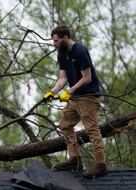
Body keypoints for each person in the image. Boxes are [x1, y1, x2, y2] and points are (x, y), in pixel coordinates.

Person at [44, 25, 107, 178]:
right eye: (54, 41)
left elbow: (87, 78)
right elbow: (63, 78)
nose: (55, 43)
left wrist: (69, 91)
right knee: (65, 125)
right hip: (75, 97)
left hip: (88, 96)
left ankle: (100, 164)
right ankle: (75, 160)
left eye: (57, 41)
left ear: (66, 38)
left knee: (91, 129)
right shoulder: (61, 53)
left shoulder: (79, 51)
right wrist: (52, 92)